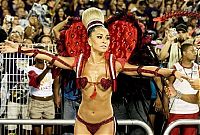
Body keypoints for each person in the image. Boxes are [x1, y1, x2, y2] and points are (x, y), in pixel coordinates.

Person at [0, 7, 189, 135]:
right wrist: (17, 48)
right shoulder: (78, 62)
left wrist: (170, 72)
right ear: (90, 41)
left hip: (106, 122)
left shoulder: (114, 64)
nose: (105, 41)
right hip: (81, 121)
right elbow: (48, 56)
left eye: (107, 37)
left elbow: (142, 70)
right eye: (100, 37)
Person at [164, 43, 199, 135]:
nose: (195, 53)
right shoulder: (175, 68)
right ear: (184, 52)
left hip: (193, 110)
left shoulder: (198, 67)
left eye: (195, 50)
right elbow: (167, 87)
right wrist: (165, 107)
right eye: (192, 51)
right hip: (176, 109)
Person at [27, 46, 59, 135]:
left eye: (42, 54)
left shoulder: (51, 68)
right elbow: (36, 81)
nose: (41, 56)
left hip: (49, 102)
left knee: (48, 131)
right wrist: (47, 69)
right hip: (36, 102)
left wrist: (57, 96)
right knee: (36, 131)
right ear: (34, 56)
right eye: (38, 54)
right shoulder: (30, 69)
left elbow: (56, 80)